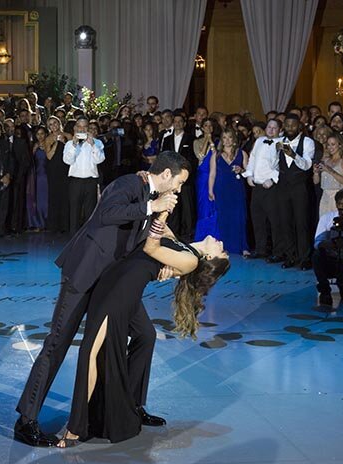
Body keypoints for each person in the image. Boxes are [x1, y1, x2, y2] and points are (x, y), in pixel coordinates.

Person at [14, 152, 187, 447]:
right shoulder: (129, 185)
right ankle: (26, 420)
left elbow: (151, 240)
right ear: (167, 175)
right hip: (84, 274)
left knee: (145, 334)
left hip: (113, 283)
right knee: (57, 343)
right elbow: (108, 214)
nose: (180, 191)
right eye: (180, 183)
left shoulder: (158, 202)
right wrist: (152, 206)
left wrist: (172, 260)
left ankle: (130, 407)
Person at [57, 213, 230, 447]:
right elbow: (160, 229)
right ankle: (127, 406)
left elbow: (151, 247)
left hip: (119, 293)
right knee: (145, 336)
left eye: (222, 251)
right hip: (121, 285)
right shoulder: (187, 250)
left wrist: (167, 212)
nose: (222, 244)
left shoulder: (191, 261)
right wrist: (165, 202)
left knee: (93, 352)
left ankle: (77, 427)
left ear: (209, 257)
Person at [275, 114, 315, 270]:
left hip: (300, 187)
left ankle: (305, 258)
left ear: (299, 126)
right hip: (283, 186)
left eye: (293, 125)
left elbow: (306, 165)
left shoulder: (308, 142)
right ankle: (290, 256)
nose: (290, 128)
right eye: (287, 125)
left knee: (302, 223)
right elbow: (275, 164)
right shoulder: (280, 141)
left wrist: (292, 154)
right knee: (285, 222)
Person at [244, 119, 282, 259]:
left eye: (275, 127)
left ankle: (278, 252)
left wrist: (273, 179)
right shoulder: (259, 141)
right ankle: (261, 250)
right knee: (257, 219)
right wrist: (249, 175)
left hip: (272, 187)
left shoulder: (282, 143)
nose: (271, 130)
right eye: (269, 127)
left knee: (274, 221)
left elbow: (281, 164)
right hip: (257, 186)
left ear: (279, 130)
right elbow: (252, 159)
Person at [208, 128, 249, 254]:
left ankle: (243, 247)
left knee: (239, 217)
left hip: (237, 189)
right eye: (224, 138)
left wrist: (241, 170)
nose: (227, 140)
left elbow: (249, 172)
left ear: (234, 139)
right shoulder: (216, 155)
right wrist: (210, 190)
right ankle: (224, 246)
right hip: (221, 189)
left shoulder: (242, 153)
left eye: (229, 137)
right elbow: (212, 174)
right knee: (223, 217)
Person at [63, 116, 105, 234]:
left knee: (90, 212)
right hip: (75, 181)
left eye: (84, 127)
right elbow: (67, 161)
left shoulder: (97, 142)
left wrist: (92, 145)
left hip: (91, 181)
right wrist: (74, 145)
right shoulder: (69, 144)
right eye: (79, 126)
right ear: (75, 128)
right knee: (74, 212)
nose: (81, 129)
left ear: (88, 128)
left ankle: (88, 240)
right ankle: (73, 241)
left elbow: (99, 160)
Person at [313, 133, 343, 218]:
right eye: (328, 145)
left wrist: (330, 170)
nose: (330, 147)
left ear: (340, 145)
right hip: (325, 197)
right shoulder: (325, 159)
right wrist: (316, 173)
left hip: (340, 199)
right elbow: (316, 181)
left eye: (333, 144)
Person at [27, 125, 49, 231]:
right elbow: (28, 160)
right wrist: (33, 150)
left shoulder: (50, 144)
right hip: (36, 176)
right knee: (38, 200)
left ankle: (47, 222)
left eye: (42, 134)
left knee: (46, 201)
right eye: (38, 134)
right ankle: (38, 223)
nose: (40, 136)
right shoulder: (33, 145)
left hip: (47, 176)